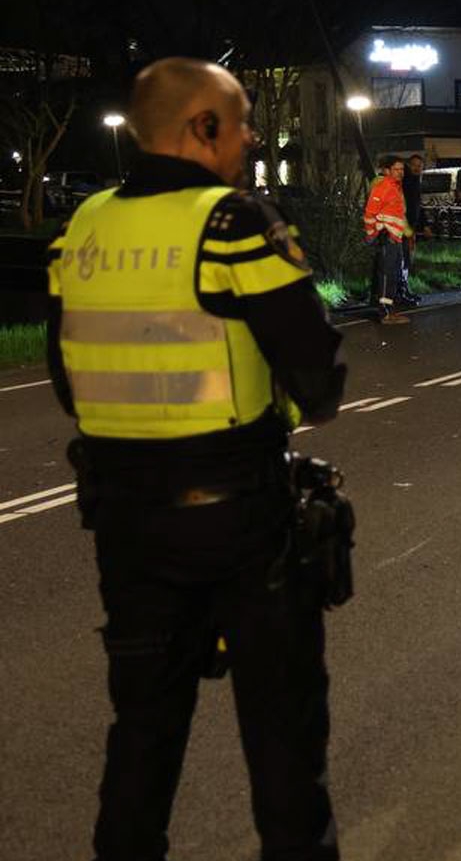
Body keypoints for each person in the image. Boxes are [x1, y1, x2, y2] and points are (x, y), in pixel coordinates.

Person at [45, 57, 347, 861]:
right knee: (283, 746)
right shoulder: (233, 225)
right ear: (202, 127)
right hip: (242, 520)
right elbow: (318, 379)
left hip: (126, 525)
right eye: (241, 123)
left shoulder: (82, 230)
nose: (252, 139)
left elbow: (67, 381)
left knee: (142, 738)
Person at [362, 155, 411, 324]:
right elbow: (370, 213)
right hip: (386, 236)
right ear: (388, 170)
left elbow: (398, 214)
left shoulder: (395, 187)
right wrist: (372, 234)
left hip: (395, 237)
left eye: (402, 169)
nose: (400, 172)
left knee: (393, 275)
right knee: (386, 274)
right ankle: (384, 312)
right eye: (397, 169)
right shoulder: (382, 187)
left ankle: (389, 310)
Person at [399, 155, 425, 308]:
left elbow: (417, 206)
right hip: (404, 228)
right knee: (403, 259)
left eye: (420, 165)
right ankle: (402, 292)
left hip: (410, 227)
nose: (417, 168)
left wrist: (422, 225)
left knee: (406, 259)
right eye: (414, 165)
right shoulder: (407, 182)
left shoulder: (415, 181)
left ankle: (404, 290)